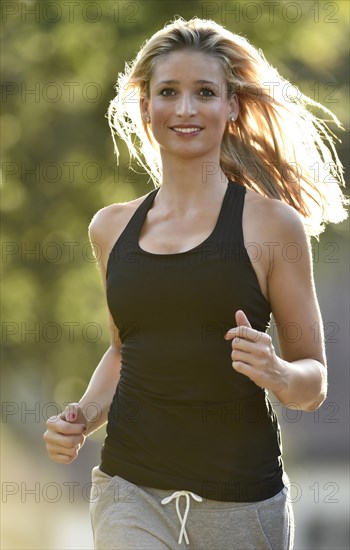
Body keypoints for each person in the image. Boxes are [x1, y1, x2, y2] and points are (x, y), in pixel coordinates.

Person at [43, 17, 348, 550]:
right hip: (129, 490)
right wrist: (81, 418)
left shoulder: (272, 226)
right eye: (168, 92)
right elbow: (123, 351)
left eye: (204, 92)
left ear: (231, 106)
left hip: (242, 504)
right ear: (146, 107)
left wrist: (276, 370)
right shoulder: (110, 228)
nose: (185, 109)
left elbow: (313, 382)